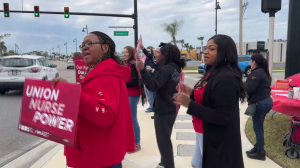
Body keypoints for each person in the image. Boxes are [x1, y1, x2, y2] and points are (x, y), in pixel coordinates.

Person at [52, 31, 135, 168]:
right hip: (99, 152)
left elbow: (105, 114)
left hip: (99, 157)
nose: (84, 47)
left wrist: (72, 93)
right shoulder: (100, 72)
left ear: (105, 47)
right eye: (82, 45)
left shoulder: (108, 75)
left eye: (89, 43)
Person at [174, 35, 245, 168]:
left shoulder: (226, 78)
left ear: (224, 52)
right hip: (203, 132)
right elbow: (210, 99)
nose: (205, 52)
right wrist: (191, 92)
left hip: (217, 140)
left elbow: (222, 116)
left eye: (211, 49)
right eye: (206, 48)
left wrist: (189, 104)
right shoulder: (212, 71)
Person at [137, 43, 186, 168]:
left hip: (164, 110)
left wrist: (142, 70)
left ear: (164, 56)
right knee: (165, 139)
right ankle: (164, 163)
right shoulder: (175, 67)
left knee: (164, 143)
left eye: (158, 53)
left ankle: (168, 165)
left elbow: (153, 85)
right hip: (172, 107)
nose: (155, 55)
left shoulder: (166, 69)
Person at [245, 53, 273, 160]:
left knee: (257, 128)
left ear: (254, 62)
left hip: (260, 103)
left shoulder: (256, 73)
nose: (250, 64)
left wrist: (243, 84)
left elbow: (249, 88)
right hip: (266, 101)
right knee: (258, 127)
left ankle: (260, 152)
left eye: (251, 62)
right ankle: (258, 147)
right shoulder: (264, 72)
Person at [123, 46, 142, 152]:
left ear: (131, 53)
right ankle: (132, 141)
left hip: (132, 95)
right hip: (128, 94)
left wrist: (123, 84)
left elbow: (135, 81)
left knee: (133, 119)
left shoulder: (133, 65)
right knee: (129, 119)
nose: (124, 54)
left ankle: (137, 143)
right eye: (124, 52)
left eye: (127, 52)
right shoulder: (127, 64)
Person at [140, 44, 159, 112]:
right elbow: (147, 54)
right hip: (148, 78)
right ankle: (152, 106)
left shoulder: (161, 61)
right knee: (148, 93)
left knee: (151, 94)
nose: (155, 53)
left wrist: (152, 70)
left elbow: (160, 72)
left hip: (154, 79)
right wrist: (142, 48)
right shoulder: (152, 58)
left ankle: (152, 107)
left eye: (156, 51)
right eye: (155, 51)